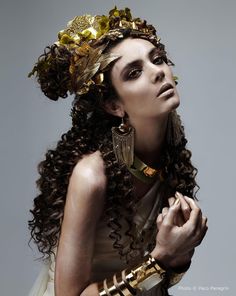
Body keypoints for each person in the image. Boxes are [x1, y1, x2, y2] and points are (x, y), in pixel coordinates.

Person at [28, 7, 208, 296]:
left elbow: (161, 281)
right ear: (114, 106)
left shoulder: (167, 159)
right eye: (134, 72)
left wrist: (179, 253)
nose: (158, 72)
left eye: (158, 59)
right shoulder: (91, 177)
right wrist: (159, 260)